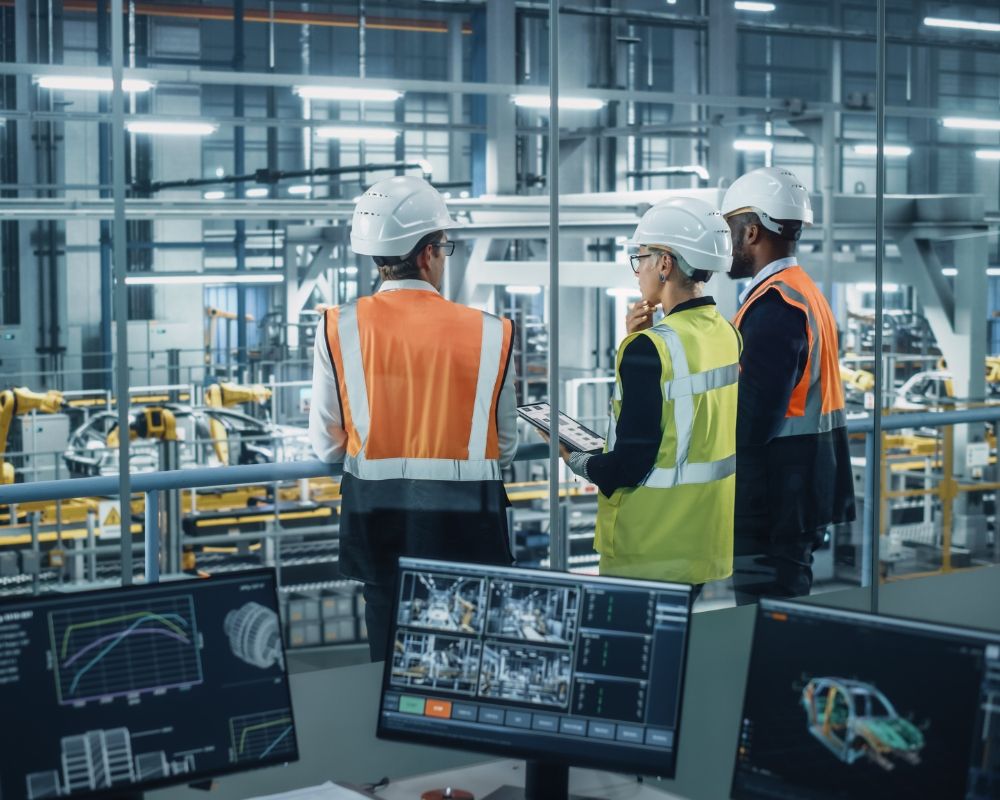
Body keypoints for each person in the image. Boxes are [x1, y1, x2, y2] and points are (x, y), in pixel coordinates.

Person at [309, 175, 519, 661]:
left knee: (387, 677)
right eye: (445, 246)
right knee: (470, 672)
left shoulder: (337, 327)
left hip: (379, 529)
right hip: (471, 529)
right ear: (427, 254)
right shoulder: (492, 334)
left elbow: (326, 446)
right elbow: (503, 445)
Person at [562, 197, 741, 593]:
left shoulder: (648, 349)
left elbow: (628, 465)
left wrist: (574, 457)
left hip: (649, 547)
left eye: (640, 258)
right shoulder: (726, 333)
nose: (637, 270)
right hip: (703, 542)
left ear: (665, 263)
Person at [721, 166, 856, 605]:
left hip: (775, 496)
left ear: (753, 232)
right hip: (801, 485)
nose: (728, 243)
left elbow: (753, 420)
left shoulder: (776, 306)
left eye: (731, 229)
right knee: (785, 609)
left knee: (767, 620)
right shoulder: (803, 292)